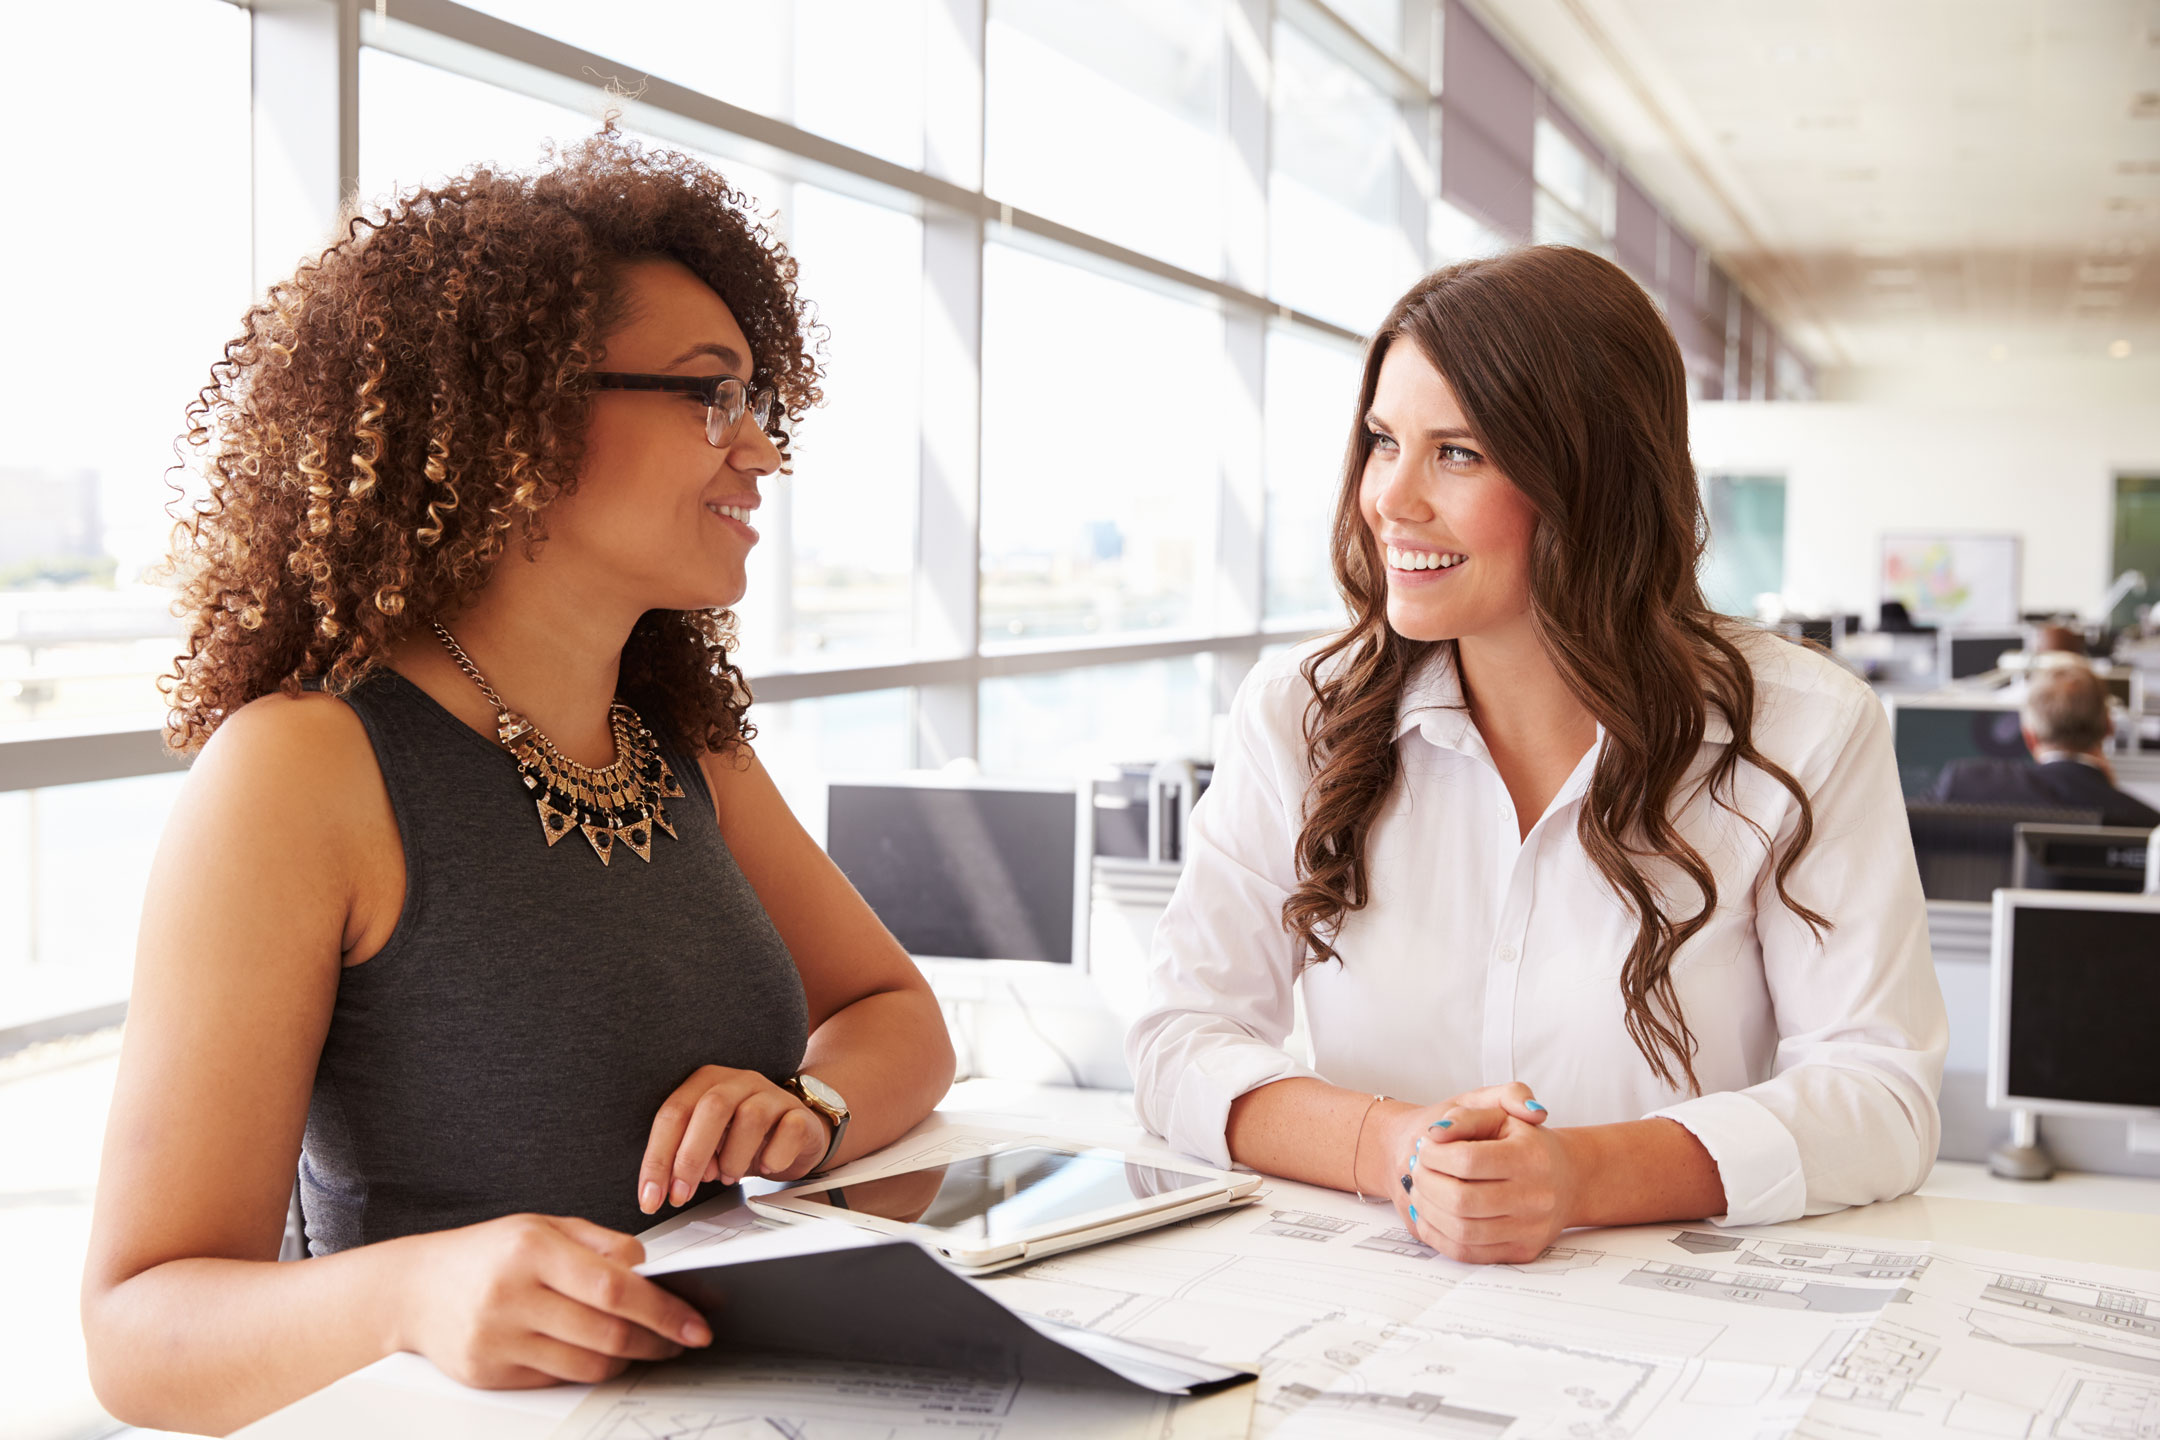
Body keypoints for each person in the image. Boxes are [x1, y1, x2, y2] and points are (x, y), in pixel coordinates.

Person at [81, 131, 955, 1433]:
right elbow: (139, 1333)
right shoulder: (301, 771)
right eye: (712, 396)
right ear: (519, 421)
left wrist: (808, 1110)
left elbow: (899, 1016)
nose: (763, 453)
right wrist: (412, 1295)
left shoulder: (684, 741)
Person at [1127, 246, 1947, 1266]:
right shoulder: (1303, 714)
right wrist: (1396, 1149)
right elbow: (1177, 1042)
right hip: (1367, 1305)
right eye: (1384, 442)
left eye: (1458, 453)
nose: (1392, 498)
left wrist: (1577, 1175)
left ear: (1591, 479)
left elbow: (1882, 1095)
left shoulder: (1802, 728)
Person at [1929, 660, 2158, 827]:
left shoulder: (1963, 785)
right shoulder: (2147, 825)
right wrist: (2106, 790)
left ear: (2030, 737)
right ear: (2110, 727)